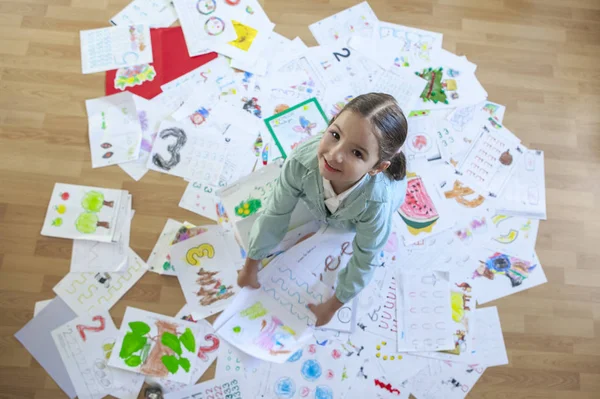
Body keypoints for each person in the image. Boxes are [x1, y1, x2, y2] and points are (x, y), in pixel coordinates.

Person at [238, 93, 408, 326]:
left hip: (358, 216)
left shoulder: (378, 204)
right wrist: (251, 264)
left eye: (357, 153)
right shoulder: (301, 161)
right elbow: (274, 213)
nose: (334, 155)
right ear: (329, 125)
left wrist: (333, 305)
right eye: (335, 135)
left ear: (378, 168)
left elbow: (365, 259)